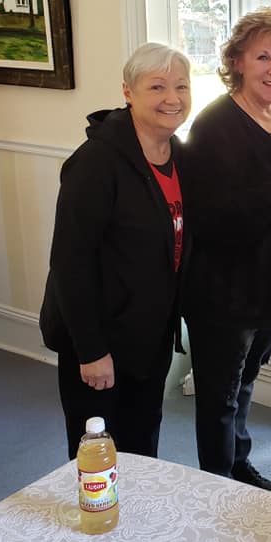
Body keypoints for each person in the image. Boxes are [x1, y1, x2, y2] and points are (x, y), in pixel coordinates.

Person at [183, 7, 271, 494]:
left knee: (244, 383)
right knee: (219, 395)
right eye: (262, 56)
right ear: (237, 62)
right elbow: (205, 217)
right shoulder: (214, 125)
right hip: (222, 291)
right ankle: (217, 487)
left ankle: (238, 466)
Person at [40, 42, 191, 459]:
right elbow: (70, 264)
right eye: (157, 86)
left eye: (181, 86)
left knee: (143, 444)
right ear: (128, 92)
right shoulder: (94, 164)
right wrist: (91, 351)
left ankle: (141, 524)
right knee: (97, 457)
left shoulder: (178, 155)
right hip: (99, 339)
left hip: (149, 336)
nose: (172, 98)